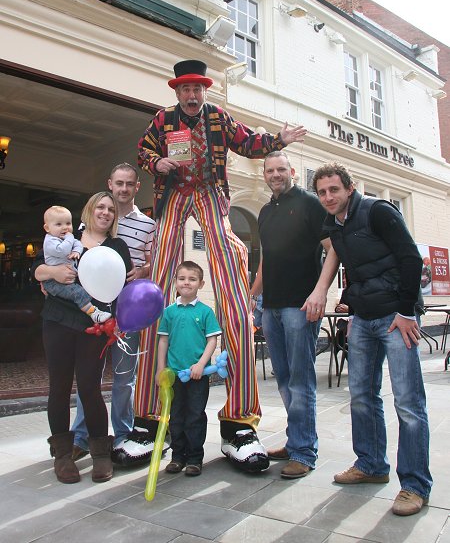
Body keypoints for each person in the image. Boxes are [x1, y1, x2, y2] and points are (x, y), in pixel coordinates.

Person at [134, 59, 308, 472]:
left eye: (198, 89)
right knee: (158, 280)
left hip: (211, 193)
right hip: (174, 194)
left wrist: (277, 140)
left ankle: (239, 423)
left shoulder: (217, 117)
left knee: (233, 291)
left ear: (204, 91)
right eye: (186, 89)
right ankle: (146, 418)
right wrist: (155, 163)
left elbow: (248, 142)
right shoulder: (163, 119)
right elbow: (142, 150)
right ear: (177, 92)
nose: (192, 95)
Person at [313, 162, 432, 516]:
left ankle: (414, 485)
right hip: (363, 319)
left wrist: (407, 311)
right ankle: (370, 465)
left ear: (350, 188)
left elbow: (412, 259)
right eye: (322, 192)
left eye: (334, 189)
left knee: (408, 404)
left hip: (397, 318)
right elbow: (354, 271)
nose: (328, 197)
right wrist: (352, 313)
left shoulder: (378, 211)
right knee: (362, 396)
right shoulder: (334, 225)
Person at [33, 192, 132, 484]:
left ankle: (100, 452)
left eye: (111, 209)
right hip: (58, 320)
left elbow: (120, 288)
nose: (105, 212)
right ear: (89, 210)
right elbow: (36, 270)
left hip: (96, 325)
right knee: (59, 387)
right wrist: (53, 272)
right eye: (100, 207)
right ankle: (63, 455)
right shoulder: (64, 234)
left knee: (90, 387)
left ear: (115, 216)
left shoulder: (117, 245)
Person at [250, 151, 338, 479]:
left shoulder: (310, 203)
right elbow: (266, 259)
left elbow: (334, 248)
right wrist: (252, 296)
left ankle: (304, 451)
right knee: (284, 379)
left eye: (281, 169)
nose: (275, 174)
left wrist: (320, 291)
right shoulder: (265, 210)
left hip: (300, 306)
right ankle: (295, 440)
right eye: (270, 170)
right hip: (270, 306)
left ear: (292, 171)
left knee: (301, 380)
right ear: (264, 174)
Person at [71, 164, 156, 467]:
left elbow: (153, 264)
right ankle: (81, 437)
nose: (123, 189)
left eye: (129, 184)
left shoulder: (148, 225)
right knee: (88, 379)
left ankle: (123, 435)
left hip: (127, 311)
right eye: (118, 183)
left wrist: (143, 270)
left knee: (124, 378)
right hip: (93, 313)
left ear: (136, 187)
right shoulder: (84, 229)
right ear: (110, 184)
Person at [156, 261, 222, 476]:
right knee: (175, 416)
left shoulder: (205, 312)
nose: (186, 282)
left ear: (201, 284)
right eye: (182, 278)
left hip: (197, 375)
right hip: (174, 375)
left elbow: (212, 341)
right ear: (175, 282)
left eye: (192, 279)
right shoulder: (169, 312)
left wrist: (201, 364)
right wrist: (160, 369)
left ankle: (194, 458)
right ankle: (177, 456)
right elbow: (163, 341)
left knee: (194, 415)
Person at [42, 205, 111, 324]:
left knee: (79, 291)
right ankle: (93, 313)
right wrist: (70, 238)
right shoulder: (50, 241)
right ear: (47, 228)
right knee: (77, 292)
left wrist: (76, 251)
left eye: (68, 223)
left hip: (67, 279)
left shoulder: (67, 239)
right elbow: (61, 250)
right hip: (53, 282)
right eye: (58, 224)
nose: (65, 227)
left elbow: (78, 245)